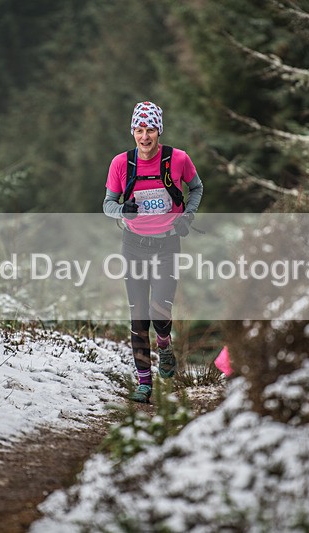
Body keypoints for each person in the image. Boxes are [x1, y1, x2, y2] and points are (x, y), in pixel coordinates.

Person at [103, 101, 204, 403]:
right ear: (132, 131)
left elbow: (196, 188)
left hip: (166, 245)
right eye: (138, 129)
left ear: (159, 131)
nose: (144, 137)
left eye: (150, 130)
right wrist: (123, 211)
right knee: (138, 317)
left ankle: (165, 345)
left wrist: (188, 215)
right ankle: (144, 383)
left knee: (160, 312)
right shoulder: (122, 163)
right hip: (133, 246)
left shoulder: (178, 159)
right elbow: (107, 204)